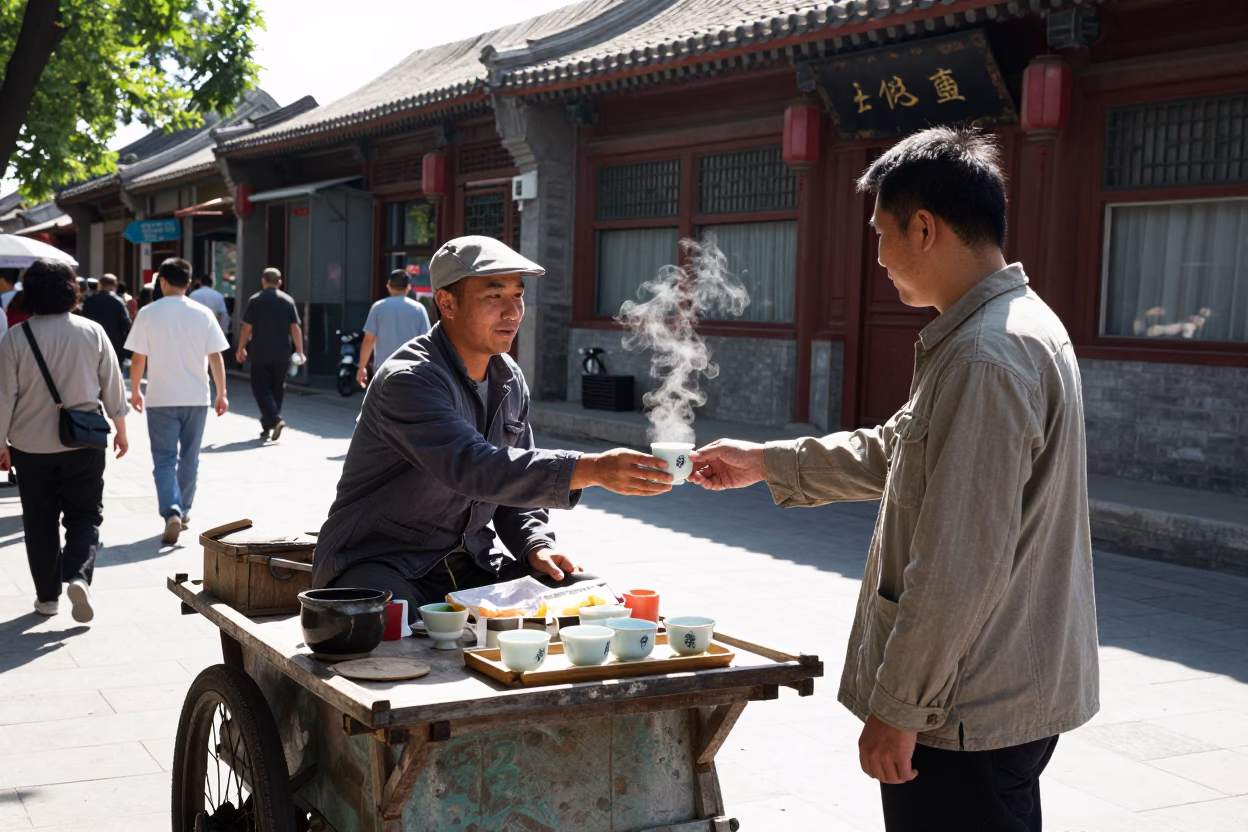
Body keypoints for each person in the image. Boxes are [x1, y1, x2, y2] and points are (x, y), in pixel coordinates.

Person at [688, 128, 1098, 832]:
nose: (877, 257)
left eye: (881, 234)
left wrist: (900, 708)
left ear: (924, 228)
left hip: (964, 703)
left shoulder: (985, 355)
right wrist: (765, 462)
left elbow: (958, 561)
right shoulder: (1005, 327)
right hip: (997, 683)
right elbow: (896, 450)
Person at [311, 236, 673, 615]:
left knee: (585, 597)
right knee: (392, 620)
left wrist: (536, 544)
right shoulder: (410, 378)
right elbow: (474, 467)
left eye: (518, 295)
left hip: (472, 564)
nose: (512, 311)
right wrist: (593, 469)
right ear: (447, 303)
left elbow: (515, 485)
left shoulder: (509, 378)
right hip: (383, 562)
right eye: (494, 296)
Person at [0, 259, 129, 623]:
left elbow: (4, 396)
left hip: (30, 446)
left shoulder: (16, 337)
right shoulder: (92, 331)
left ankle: (47, 599)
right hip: (84, 442)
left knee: (39, 521)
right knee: (85, 515)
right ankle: (79, 576)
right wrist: (121, 429)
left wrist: (1, 443)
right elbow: (112, 385)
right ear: (72, 292)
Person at [125, 257, 230, 545]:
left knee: (164, 458)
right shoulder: (203, 314)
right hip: (196, 398)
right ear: (189, 283)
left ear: (162, 281)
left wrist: (135, 390)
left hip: (160, 398)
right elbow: (216, 356)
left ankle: (171, 510)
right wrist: (221, 393)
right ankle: (183, 510)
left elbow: (138, 358)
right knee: (190, 458)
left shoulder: (148, 313)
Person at [236, 268, 304, 442]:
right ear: (280, 282)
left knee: (260, 389)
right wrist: (299, 351)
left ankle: (274, 419)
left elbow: (247, 327)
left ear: (263, 281)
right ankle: (269, 424)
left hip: (260, 353)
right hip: (282, 354)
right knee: (277, 389)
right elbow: (295, 328)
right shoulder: (288, 301)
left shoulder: (255, 300)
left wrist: (241, 347)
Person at [356, 269, 431, 387]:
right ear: (408, 287)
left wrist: (361, 367)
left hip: (384, 370)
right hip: (411, 370)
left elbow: (368, 341)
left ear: (388, 286)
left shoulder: (378, 307)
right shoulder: (419, 309)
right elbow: (426, 343)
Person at [80, 274, 131, 361]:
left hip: (92, 344)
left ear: (100, 284)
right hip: (115, 347)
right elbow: (126, 325)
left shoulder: (89, 301)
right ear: (115, 286)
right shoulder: (119, 301)